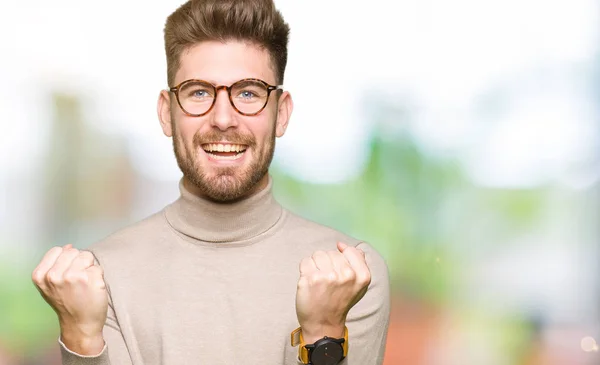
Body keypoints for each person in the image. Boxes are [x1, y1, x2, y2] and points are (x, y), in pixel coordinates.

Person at [31, 0, 390, 364]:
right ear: (166, 113)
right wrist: (80, 338)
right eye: (198, 92)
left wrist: (322, 334)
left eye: (248, 92)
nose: (222, 119)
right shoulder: (99, 280)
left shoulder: (352, 277)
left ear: (280, 114)